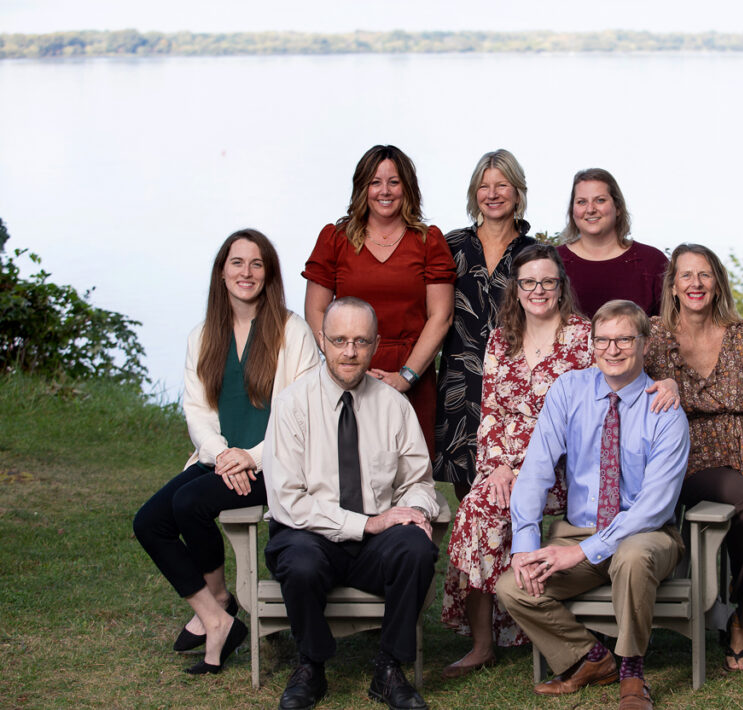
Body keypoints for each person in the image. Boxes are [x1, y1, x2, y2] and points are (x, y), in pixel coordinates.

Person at [133, 229, 320, 675]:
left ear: (269, 274)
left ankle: (217, 609)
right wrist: (222, 456)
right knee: (149, 522)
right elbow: (196, 410)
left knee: (190, 502)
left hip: (276, 461)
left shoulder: (291, 330)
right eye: (237, 262)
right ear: (222, 272)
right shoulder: (203, 335)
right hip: (220, 460)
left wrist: (251, 457)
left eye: (257, 264)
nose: (246, 272)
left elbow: (301, 410)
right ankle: (215, 610)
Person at [496, 300, 690, 710]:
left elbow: (655, 505)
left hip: (646, 534)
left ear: (644, 343)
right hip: (579, 532)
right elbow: (536, 470)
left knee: (633, 557)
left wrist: (582, 552)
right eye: (603, 340)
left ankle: (632, 671)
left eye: (624, 339)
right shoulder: (569, 390)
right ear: (592, 343)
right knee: (513, 587)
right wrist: (525, 544)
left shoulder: (665, 410)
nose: (613, 349)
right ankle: (590, 659)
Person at [262, 297, 441, 710]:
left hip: (372, 546)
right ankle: (311, 665)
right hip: (309, 535)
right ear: (322, 340)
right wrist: (367, 525)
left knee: (415, 548)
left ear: (375, 345)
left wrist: (413, 511)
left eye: (361, 341)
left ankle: (389, 668)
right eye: (340, 339)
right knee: (300, 563)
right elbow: (288, 500)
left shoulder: (394, 405)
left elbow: (418, 481)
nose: (350, 351)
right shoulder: (291, 404)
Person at [440, 244, 591, 679]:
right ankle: (483, 642)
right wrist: (497, 468)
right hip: (505, 461)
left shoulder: (582, 336)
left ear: (561, 286)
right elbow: (490, 411)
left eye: (548, 281)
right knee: (477, 508)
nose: (538, 290)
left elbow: (595, 408)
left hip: (561, 465)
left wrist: (531, 469)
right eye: (529, 282)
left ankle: (514, 629)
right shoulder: (502, 335)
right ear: (516, 288)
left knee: (485, 511)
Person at [644, 243, 743, 673]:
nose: (696, 284)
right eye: (686, 275)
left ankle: (742, 600)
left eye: (705, 274)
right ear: (673, 286)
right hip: (691, 453)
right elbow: (633, 392)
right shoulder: (654, 337)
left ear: (717, 283)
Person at [302, 145, 456, 459]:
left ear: (407, 188)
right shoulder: (335, 239)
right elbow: (315, 310)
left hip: (411, 373)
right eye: (375, 182)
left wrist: (406, 377)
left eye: (394, 182)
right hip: (347, 372)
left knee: (408, 480)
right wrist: (344, 364)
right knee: (345, 475)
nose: (384, 191)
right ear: (363, 188)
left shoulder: (429, 241)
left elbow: (441, 315)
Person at [434, 149, 536, 500]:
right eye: (484, 186)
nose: (492, 194)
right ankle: (469, 556)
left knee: (512, 492)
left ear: (518, 191)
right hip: (460, 381)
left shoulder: (534, 254)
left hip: (513, 385)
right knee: (467, 493)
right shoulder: (451, 245)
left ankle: (515, 556)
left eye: (502, 185)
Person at [556, 168, 667, 318]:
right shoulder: (552, 261)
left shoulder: (652, 262)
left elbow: (673, 326)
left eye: (600, 200)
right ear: (572, 211)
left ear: (618, 207)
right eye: (581, 202)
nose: (590, 209)